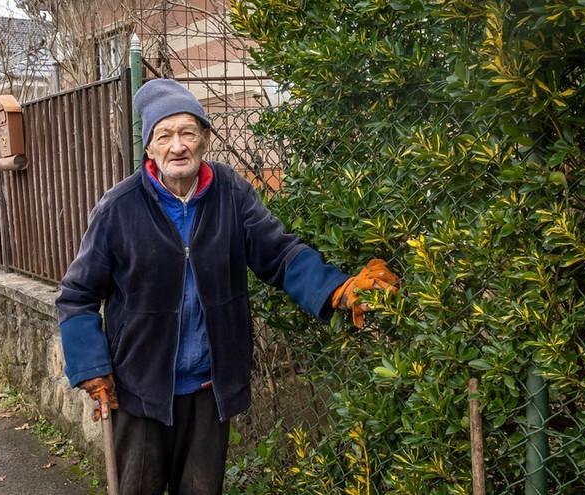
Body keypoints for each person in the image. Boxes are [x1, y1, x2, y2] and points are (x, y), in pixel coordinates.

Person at [55, 79, 399, 495]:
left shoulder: (231, 192)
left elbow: (279, 253)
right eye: (164, 135)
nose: (177, 146)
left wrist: (335, 289)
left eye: (187, 133)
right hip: (139, 389)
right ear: (148, 147)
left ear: (205, 139)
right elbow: (77, 297)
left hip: (207, 387)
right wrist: (93, 369)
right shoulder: (119, 207)